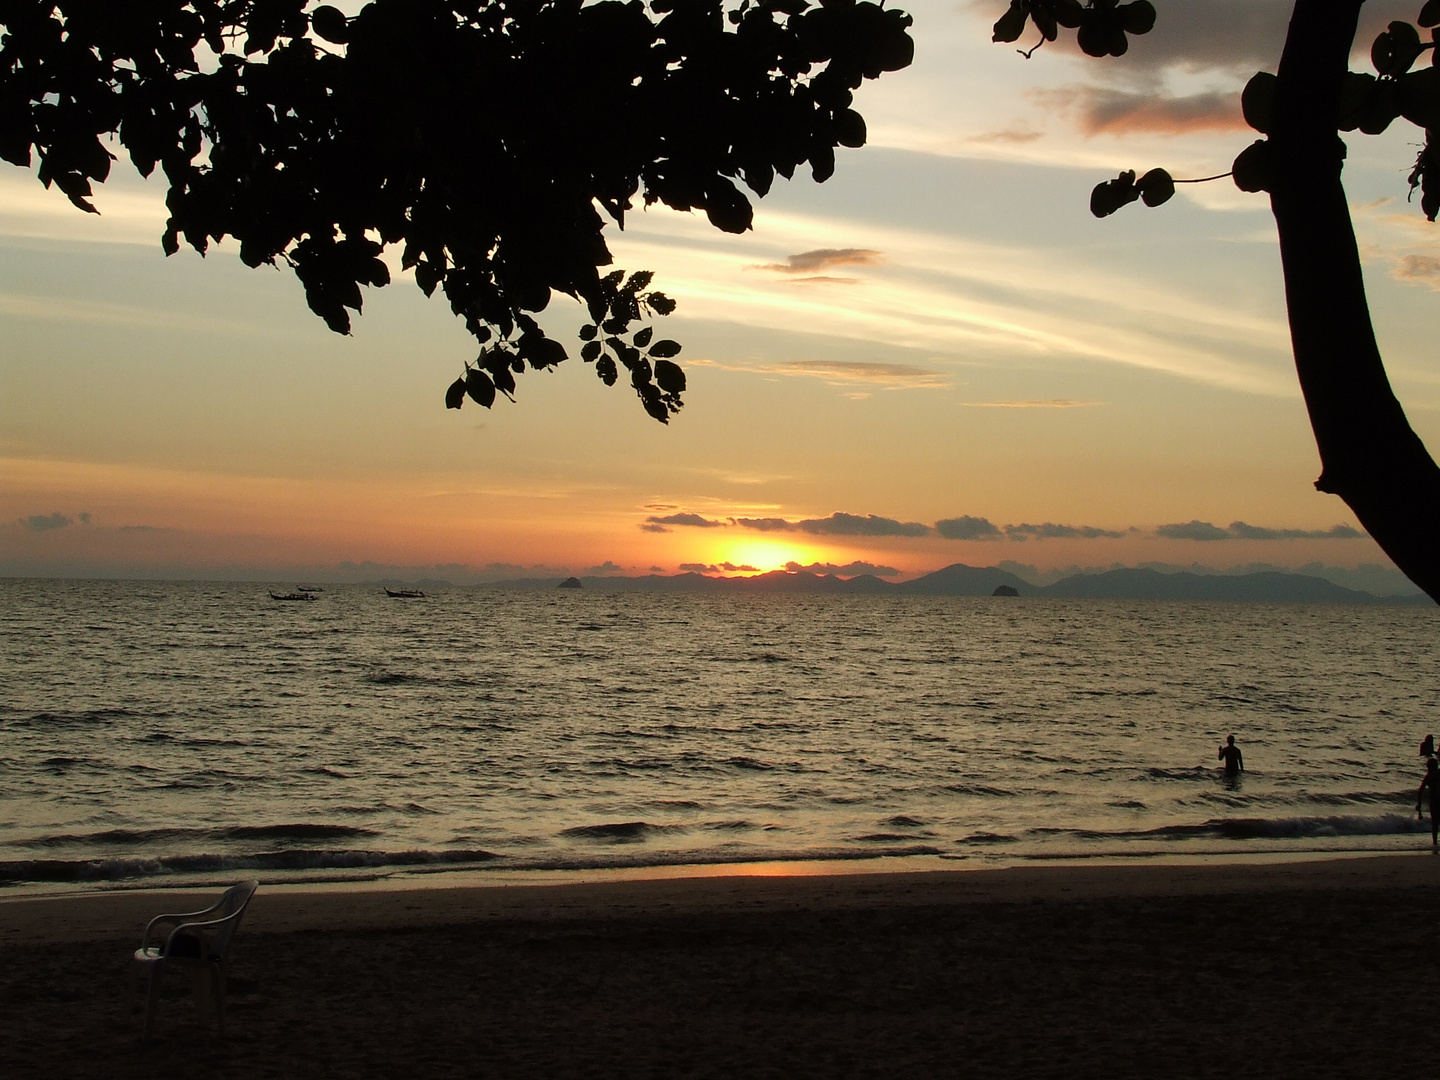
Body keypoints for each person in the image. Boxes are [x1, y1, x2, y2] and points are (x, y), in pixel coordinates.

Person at [1419, 757, 1440, 854]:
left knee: (1435, 823)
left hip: (1434, 802)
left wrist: (1419, 803)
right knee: (1435, 823)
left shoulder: (1428, 777)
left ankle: (1435, 843)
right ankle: (1435, 843)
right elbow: (1420, 791)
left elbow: (1420, 791)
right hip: (1435, 802)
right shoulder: (1436, 775)